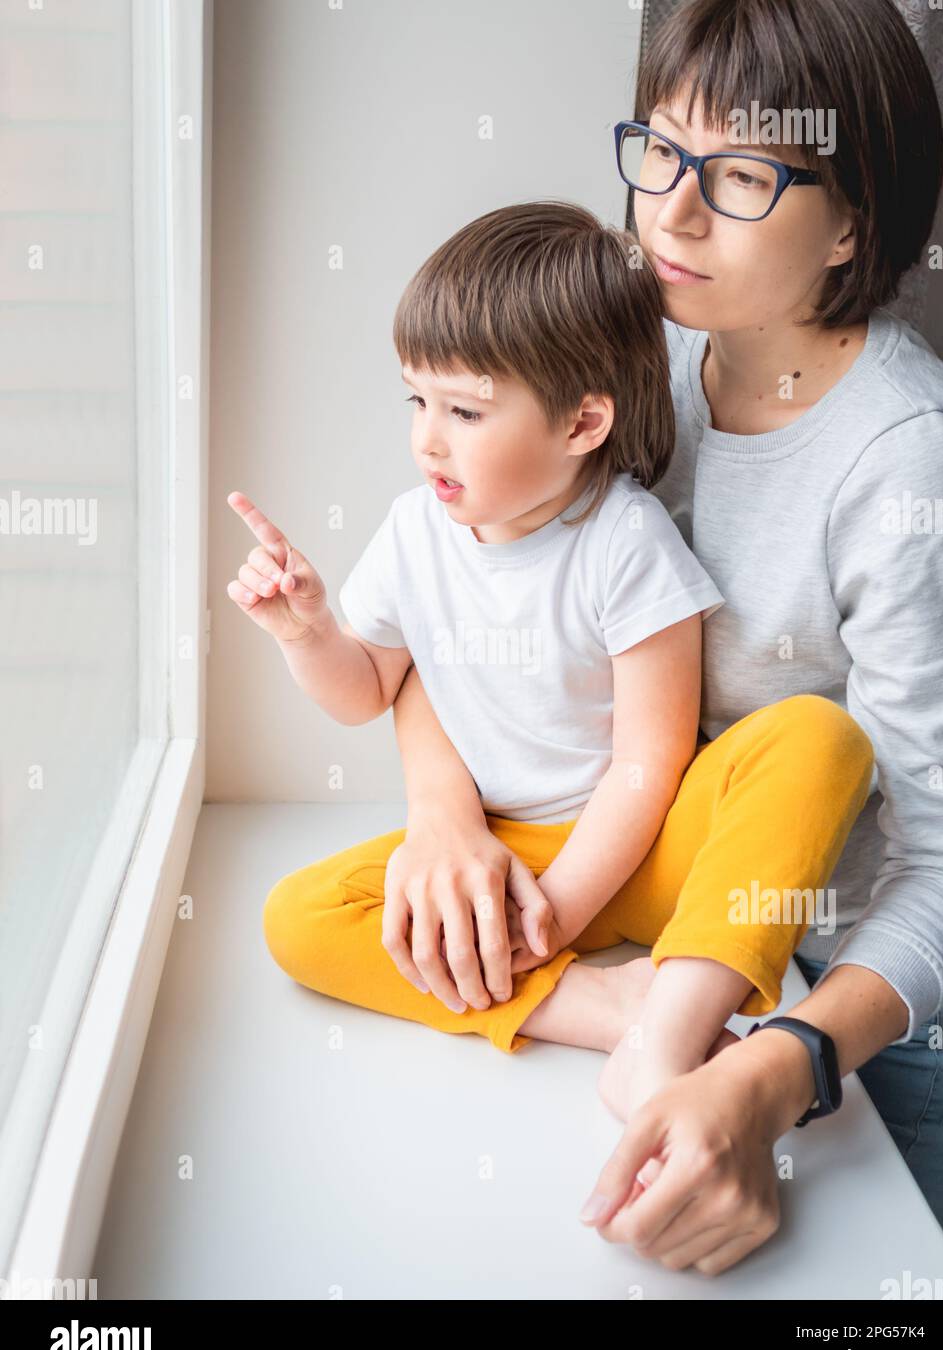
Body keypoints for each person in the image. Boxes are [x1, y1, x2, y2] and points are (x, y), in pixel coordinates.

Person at [377, 0, 943, 1276]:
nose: (672, 216)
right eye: (660, 150)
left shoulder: (909, 465)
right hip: (659, 912)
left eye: (743, 177)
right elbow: (453, 589)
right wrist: (442, 815)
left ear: (853, 223)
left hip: (868, 1006)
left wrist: (780, 1065)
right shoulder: (631, 341)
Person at [236, 199, 874, 1117]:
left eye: (465, 410)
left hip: (645, 849)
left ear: (581, 425)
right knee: (300, 919)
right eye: (417, 400)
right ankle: (610, 1011)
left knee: (817, 737)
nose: (427, 438)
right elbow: (365, 691)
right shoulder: (414, 531)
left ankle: (685, 998)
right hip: (498, 853)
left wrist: (558, 912)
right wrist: (304, 633)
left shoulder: (626, 540)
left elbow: (650, 762)